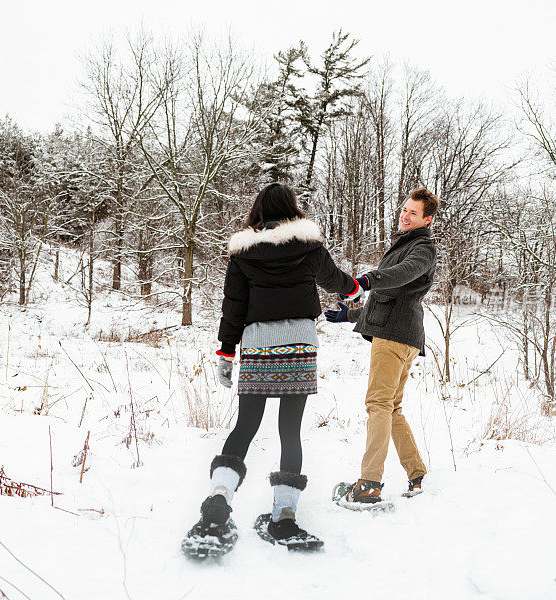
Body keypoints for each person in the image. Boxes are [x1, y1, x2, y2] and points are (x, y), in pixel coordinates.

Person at [184, 182, 361, 551]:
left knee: (245, 426)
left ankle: (217, 504)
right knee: (290, 431)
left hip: (257, 345)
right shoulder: (310, 246)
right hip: (300, 343)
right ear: (292, 208)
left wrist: (227, 352)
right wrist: (353, 289)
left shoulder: (244, 253)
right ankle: (284, 517)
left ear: (258, 211)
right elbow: (334, 280)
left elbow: (233, 304)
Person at [325, 187, 439, 505]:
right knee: (392, 407)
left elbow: (401, 275)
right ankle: (416, 473)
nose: (405, 215)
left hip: (393, 339)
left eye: (413, 212)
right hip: (403, 335)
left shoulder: (422, 248)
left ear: (426, 219)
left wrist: (366, 280)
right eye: (404, 209)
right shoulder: (407, 244)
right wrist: (348, 315)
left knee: (377, 405)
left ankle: (370, 483)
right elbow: (391, 301)